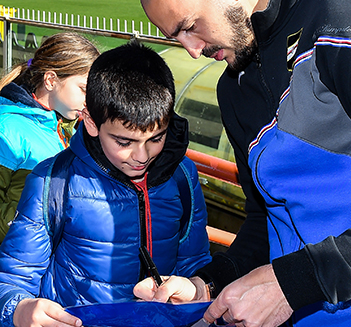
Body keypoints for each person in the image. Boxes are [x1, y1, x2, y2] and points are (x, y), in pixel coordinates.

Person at [136, 0, 351, 326]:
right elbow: (266, 220)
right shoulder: (233, 89)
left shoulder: (343, 19)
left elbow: (293, 278)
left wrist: (295, 283)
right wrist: (207, 285)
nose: (192, 50)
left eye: (190, 26)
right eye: (176, 38)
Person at [0, 40, 211, 327]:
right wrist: (19, 309)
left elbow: (196, 262)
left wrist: (195, 289)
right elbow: (13, 278)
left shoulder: (183, 176)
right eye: (124, 141)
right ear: (90, 122)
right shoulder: (51, 181)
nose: (141, 156)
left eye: (157, 138)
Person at [0, 32, 99, 241]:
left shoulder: (65, 127)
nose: (89, 101)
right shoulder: (7, 130)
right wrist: (31, 229)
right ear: (51, 80)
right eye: (83, 89)